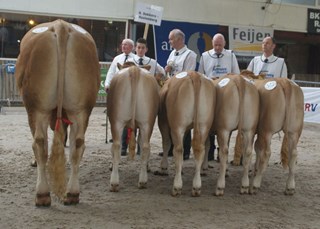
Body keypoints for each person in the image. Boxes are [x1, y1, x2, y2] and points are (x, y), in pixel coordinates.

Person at [198, 33, 240, 161]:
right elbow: (201, 74)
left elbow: (236, 74)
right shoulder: (205, 56)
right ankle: (209, 151)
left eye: (220, 45)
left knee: (225, 121)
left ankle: (222, 149)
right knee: (209, 119)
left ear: (224, 44)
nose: (217, 47)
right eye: (215, 45)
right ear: (212, 44)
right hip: (210, 91)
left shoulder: (231, 55)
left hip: (226, 92)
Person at [162, 28, 197, 160]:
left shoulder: (190, 55)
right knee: (170, 118)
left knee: (184, 120)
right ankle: (171, 147)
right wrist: (167, 69)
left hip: (184, 91)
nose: (169, 41)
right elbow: (169, 69)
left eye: (171, 39)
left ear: (180, 39)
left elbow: (189, 73)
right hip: (171, 88)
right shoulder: (172, 53)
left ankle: (186, 150)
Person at [104, 38, 135, 156]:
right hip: (117, 89)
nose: (123, 46)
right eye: (122, 44)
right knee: (115, 114)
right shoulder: (117, 58)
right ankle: (116, 135)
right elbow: (111, 72)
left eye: (126, 45)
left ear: (132, 47)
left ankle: (124, 143)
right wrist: (107, 84)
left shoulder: (135, 59)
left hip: (129, 91)